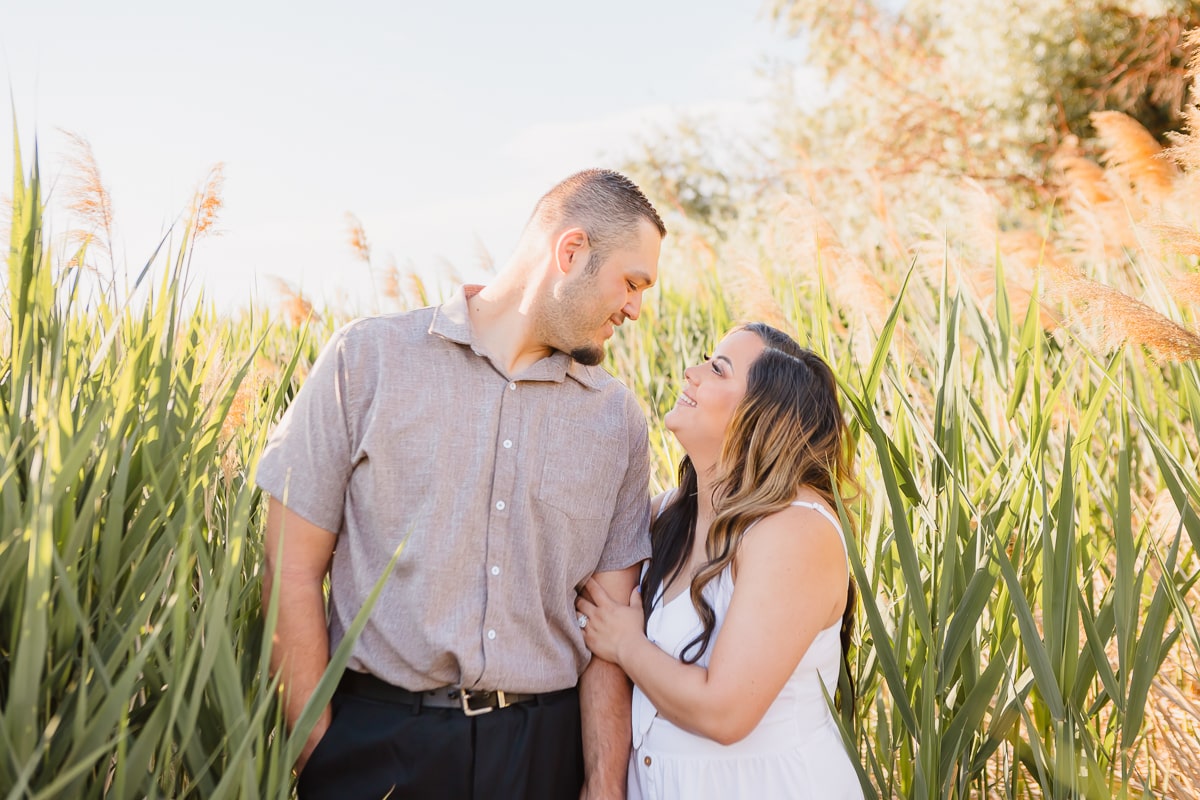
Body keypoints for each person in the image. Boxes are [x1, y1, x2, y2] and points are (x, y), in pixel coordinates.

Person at [256, 168, 666, 799]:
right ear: (571, 251)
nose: (635, 308)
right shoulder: (367, 360)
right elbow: (289, 567)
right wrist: (321, 752)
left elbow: (608, 627)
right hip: (378, 745)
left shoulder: (617, 421)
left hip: (543, 758)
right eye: (632, 282)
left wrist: (604, 783)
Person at [575, 323, 864, 799]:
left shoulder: (796, 529)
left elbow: (725, 712)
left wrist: (627, 645)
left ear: (762, 416)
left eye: (718, 370)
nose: (691, 372)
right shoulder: (666, 515)